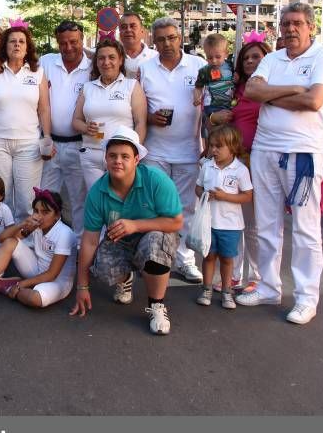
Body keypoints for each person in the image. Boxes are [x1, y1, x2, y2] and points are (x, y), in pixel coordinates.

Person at [237, 2, 323, 325]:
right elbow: (252, 89)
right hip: (265, 150)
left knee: (306, 230)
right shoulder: (271, 58)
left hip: (303, 154)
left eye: (297, 23)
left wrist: (272, 94)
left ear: (310, 26)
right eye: (285, 23)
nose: (290, 29)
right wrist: (294, 88)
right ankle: (268, 287)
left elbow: (314, 100)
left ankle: (307, 298)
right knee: (266, 224)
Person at [70, 127, 183, 335]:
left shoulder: (156, 180)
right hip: (120, 240)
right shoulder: (97, 192)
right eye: (112, 155)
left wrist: (136, 225)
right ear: (105, 158)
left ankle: (157, 305)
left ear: (136, 159)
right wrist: (82, 286)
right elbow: (89, 241)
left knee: (155, 246)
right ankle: (126, 279)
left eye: (125, 156)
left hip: (153, 234)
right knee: (101, 267)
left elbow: (176, 222)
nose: (118, 161)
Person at [139, 17, 206, 283]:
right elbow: (137, 108)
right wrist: (150, 118)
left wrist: (209, 144)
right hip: (155, 151)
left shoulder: (198, 65)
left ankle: (185, 260)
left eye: (172, 37)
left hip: (189, 150)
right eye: (161, 39)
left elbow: (210, 104)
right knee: (157, 208)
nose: (167, 43)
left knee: (186, 208)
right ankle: (158, 257)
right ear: (153, 41)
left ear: (180, 38)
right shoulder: (145, 69)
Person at [209, 38, 271, 293]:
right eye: (246, 58)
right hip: (235, 162)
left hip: (261, 159)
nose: (250, 62)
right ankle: (233, 274)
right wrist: (214, 116)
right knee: (235, 220)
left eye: (255, 57)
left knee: (256, 223)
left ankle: (256, 275)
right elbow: (212, 117)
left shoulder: (271, 88)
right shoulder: (236, 89)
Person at [0, 23, 52, 221]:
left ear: (27, 47)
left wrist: (47, 139)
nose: (17, 45)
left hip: (29, 145)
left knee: (27, 200)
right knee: (0, 197)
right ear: (5, 46)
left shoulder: (38, 73)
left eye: (21, 42)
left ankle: (24, 244)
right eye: (12, 41)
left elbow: (44, 109)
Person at [0, 188, 76, 308]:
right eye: (36, 211)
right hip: (36, 270)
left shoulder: (64, 233)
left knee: (34, 299)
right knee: (10, 242)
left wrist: (21, 284)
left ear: (57, 215)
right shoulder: (37, 226)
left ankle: (7, 286)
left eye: (45, 212)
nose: (39, 216)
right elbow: (2, 239)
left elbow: (51, 275)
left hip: (57, 281)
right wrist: (23, 224)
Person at [39, 20, 92, 241]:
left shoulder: (93, 66)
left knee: (79, 199)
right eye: (63, 43)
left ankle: (79, 245)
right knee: (45, 197)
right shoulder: (46, 62)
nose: (68, 47)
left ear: (82, 40)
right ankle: (45, 242)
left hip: (79, 144)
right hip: (49, 144)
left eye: (74, 42)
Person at [72, 38, 147, 192]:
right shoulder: (88, 87)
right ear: (96, 62)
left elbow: (140, 122)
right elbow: (76, 121)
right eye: (101, 58)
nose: (106, 62)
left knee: (120, 202)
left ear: (120, 60)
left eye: (111, 57)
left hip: (120, 158)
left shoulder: (131, 85)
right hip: (91, 155)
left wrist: (134, 153)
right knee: (96, 202)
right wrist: (86, 128)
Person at [195, 125, 253, 309]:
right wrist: (204, 193)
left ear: (232, 147)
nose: (213, 150)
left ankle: (227, 291)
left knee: (227, 258)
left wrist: (225, 196)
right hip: (209, 222)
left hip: (231, 225)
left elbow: (247, 195)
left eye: (218, 146)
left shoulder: (240, 170)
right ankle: (207, 288)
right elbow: (197, 187)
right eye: (211, 145)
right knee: (209, 256)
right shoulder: (206, 166)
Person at [193, 33, 236, 119]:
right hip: (212, 107)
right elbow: (198, 87)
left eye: (218, 57)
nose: (214, 61)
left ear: (226, 54)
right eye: (209, 57)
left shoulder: (230, 65)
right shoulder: (204, 71)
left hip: (230, 104)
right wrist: (197, 97)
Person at [119, 12, 157, 79]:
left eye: (133, 26)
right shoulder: (111, 57)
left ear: (142, 31)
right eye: (124, 27)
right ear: (119, 33)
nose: (128, 30)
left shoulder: (156, 57)